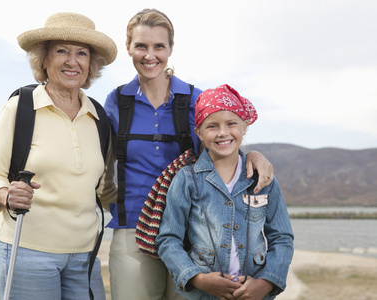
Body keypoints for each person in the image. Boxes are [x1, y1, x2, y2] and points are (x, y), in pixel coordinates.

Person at [103, 9, 275, 300]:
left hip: (192, 229)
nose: (150, 55)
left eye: (159, 46)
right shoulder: (117, 101)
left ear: (170, 48)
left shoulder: (196, 98)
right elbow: (100, 163)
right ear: (129, 47)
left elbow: (223, 141)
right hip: (131, 227)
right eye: (141, 46)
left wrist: (253, 153)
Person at [0, 12, 117, 300]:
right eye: (61, 51)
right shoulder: (21, 107)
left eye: (81, 53)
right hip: (27, 251)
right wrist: (6, 195)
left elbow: (104, 189)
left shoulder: (99, 117)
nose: (72, 60)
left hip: (85, 255)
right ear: (43, 59)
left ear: (90, 64)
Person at [156, 84, 294, 300]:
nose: (223, 133)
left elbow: (282, 237)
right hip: (203, 294)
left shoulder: (263, 179)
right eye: (212, 126)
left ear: (244, 126)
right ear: (199, 132)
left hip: (255, 293)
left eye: (231, 123)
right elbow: (168, 239)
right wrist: (197, 279)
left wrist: (266, 283)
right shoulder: (186, 179)